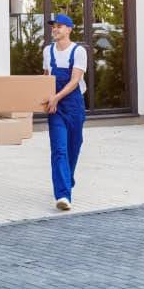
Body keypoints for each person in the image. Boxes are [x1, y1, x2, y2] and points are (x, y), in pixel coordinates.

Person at [41, 14, 88, 211]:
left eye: (60, 26)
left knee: (74, 146)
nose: (55, 29)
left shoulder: (78, 51)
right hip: (56, 108)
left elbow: (75, 80)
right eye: (53, 27)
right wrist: (46, 99)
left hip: (74, 104)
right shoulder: (47, 51)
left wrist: (57, 97)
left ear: (69, 29)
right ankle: (63, 195)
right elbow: (45, 78)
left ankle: (67, 178)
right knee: (59, 149)